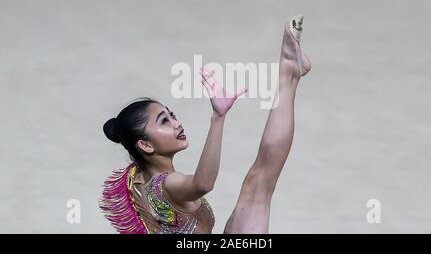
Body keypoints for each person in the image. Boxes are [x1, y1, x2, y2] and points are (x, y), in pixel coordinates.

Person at [99, 14, 311, 234]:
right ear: (145, 145)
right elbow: (203, 184)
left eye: (172, 115)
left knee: (259, 179)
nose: (177, 124)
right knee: (260, 181)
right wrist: (218, 118)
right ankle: (289, 74)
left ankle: (290, 72)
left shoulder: (139, 177)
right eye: (164, 121)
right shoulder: (163, 185)